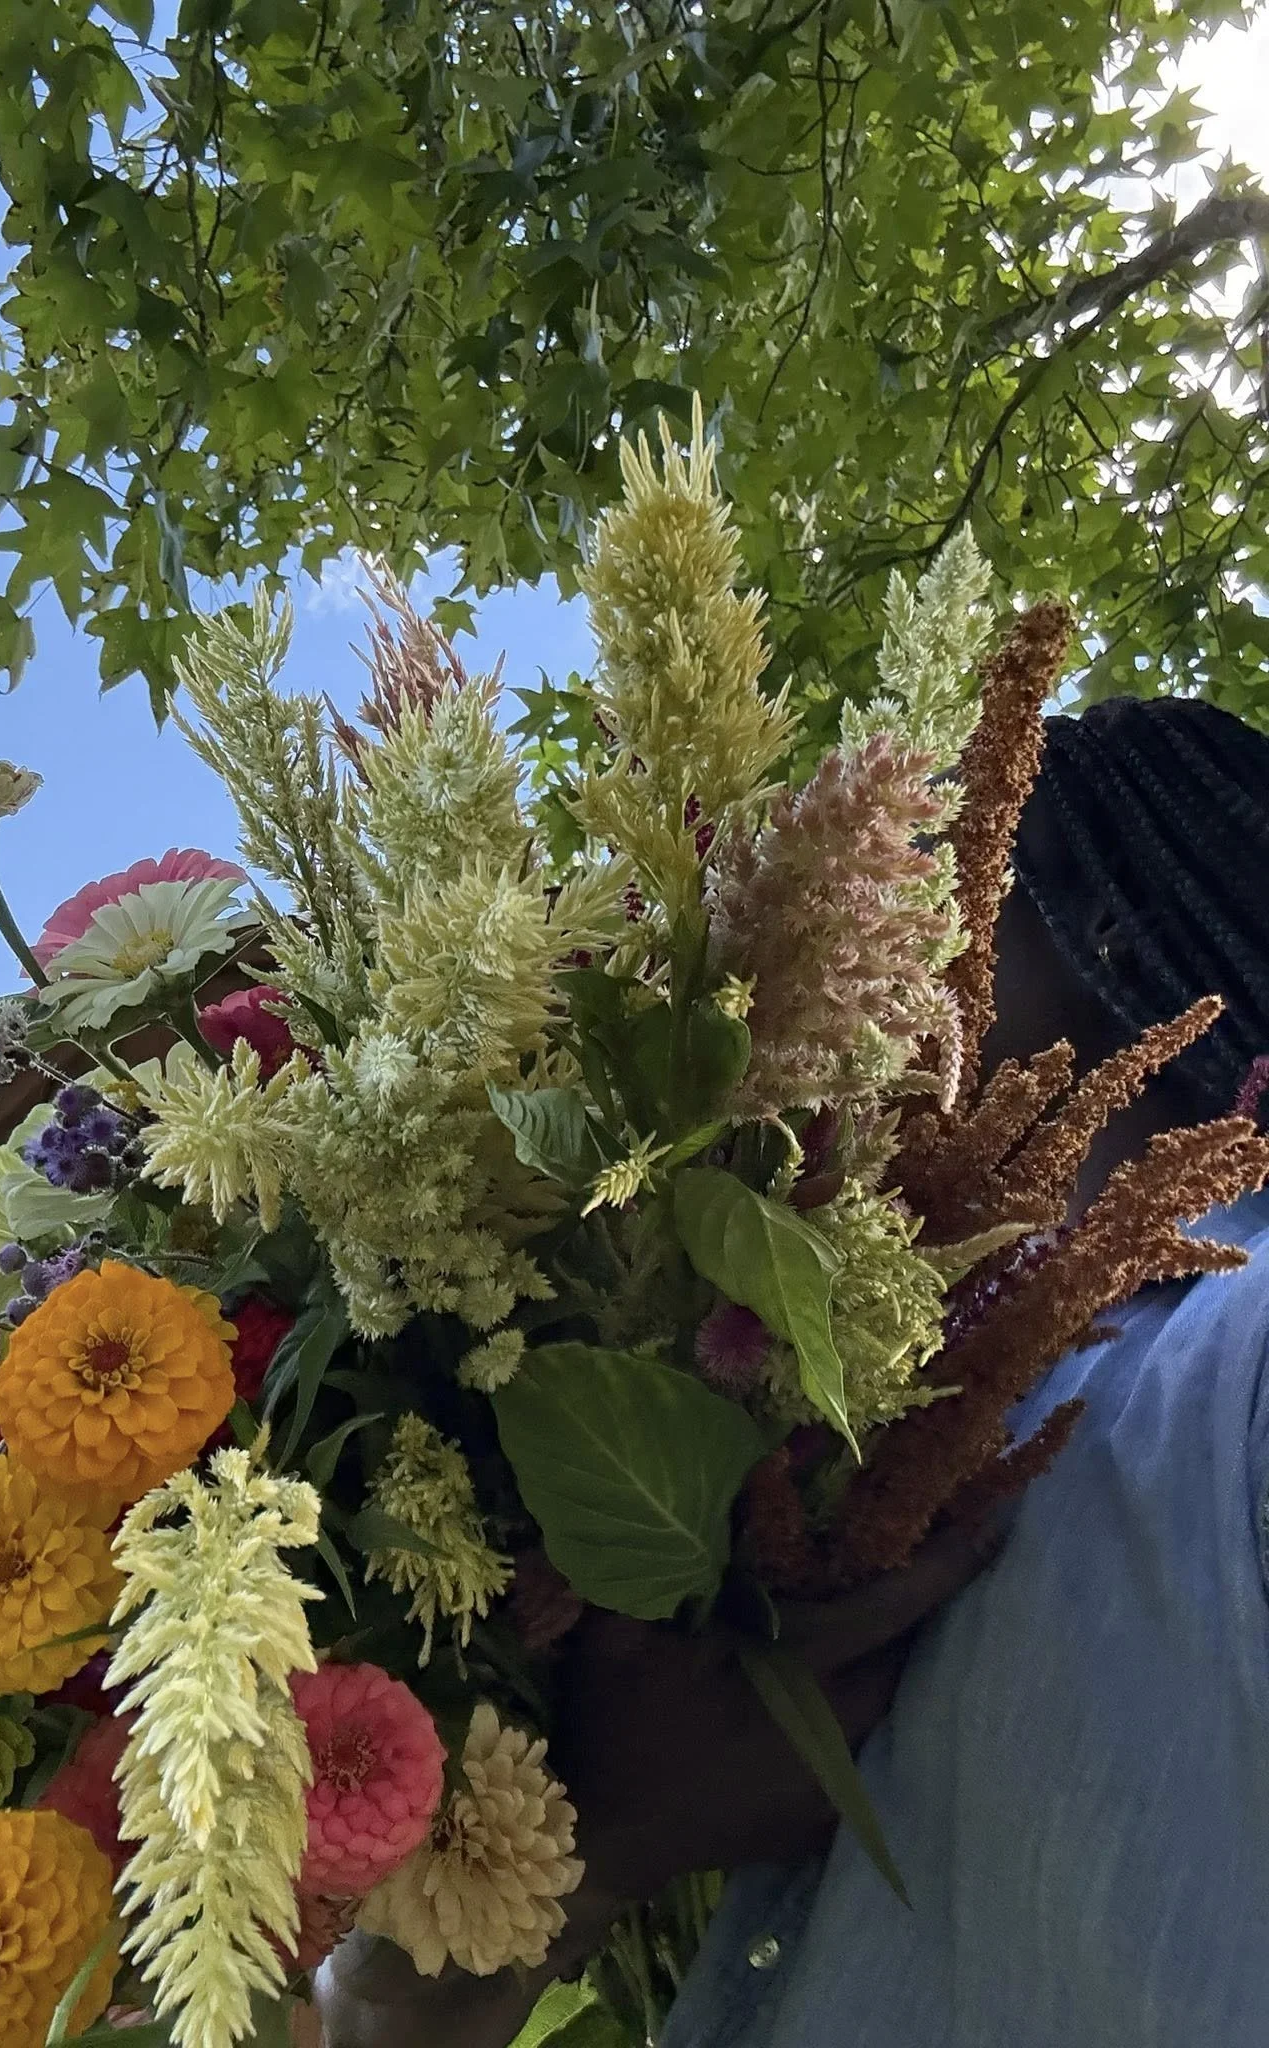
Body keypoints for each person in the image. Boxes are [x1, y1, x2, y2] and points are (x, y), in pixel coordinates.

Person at [318, 695, 1269, 2048]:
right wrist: (600, 1842)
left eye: (939, 875)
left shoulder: (1233, 1366)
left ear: (1096, 919)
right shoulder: (857, 1397)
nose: (872, 943)